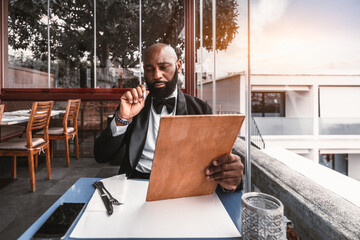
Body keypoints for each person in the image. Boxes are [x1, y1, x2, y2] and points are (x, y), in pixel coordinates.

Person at [94, 43, 243, 192]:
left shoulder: (201, 110)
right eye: (149, 69)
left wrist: (231, 180)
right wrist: (123, 118)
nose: (156, 75)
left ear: (178, 66)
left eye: (163, 67)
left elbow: (218, 165)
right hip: (136, 181)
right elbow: (101, 156)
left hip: (183, 185)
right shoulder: (133, 105)